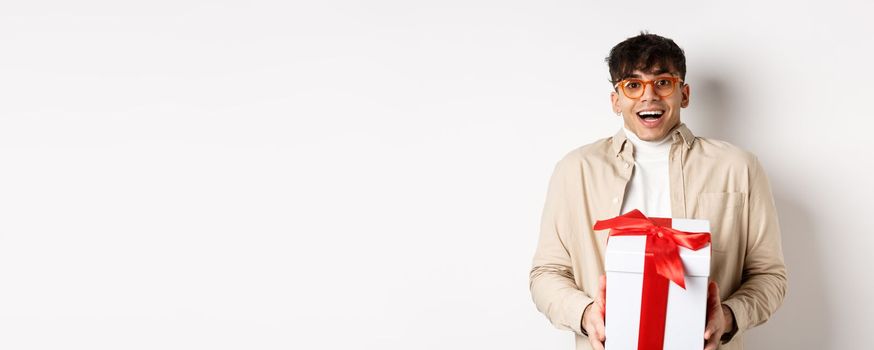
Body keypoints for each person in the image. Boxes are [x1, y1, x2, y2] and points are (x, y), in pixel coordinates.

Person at [529, 32, 787, 350]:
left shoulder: (739, 167)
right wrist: (584, 314)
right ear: (616, 100)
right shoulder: (576, 169)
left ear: (685, 93)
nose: (648, 97)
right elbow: (547, 272)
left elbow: (769, 275)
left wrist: (729, 317)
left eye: (662, 83)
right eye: (633, 85)